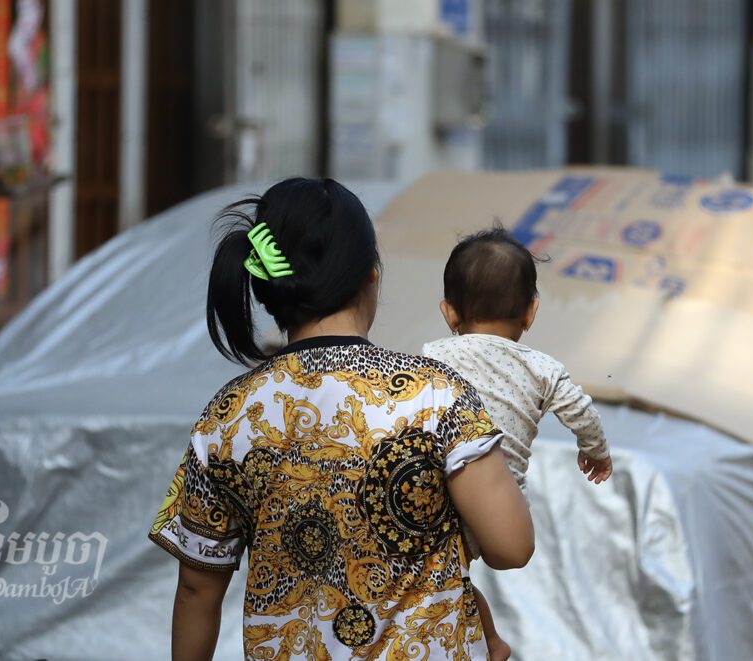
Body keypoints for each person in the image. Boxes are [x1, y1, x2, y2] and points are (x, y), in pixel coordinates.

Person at [147, 178, 534, 660]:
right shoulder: (434, 395)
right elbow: (511, 548)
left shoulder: (227, 416)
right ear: (371, 274)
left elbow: (196, 592)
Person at [423, 227, 613, 660]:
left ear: (449, 313)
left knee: (446, 575)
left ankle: (490, 641)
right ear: (531, 312)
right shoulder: (543, 369)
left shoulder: (430, 358)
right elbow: (582, 412)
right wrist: (596, 452)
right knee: (457, 574)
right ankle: (493, 643)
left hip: (437, 497)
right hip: (502, 505)